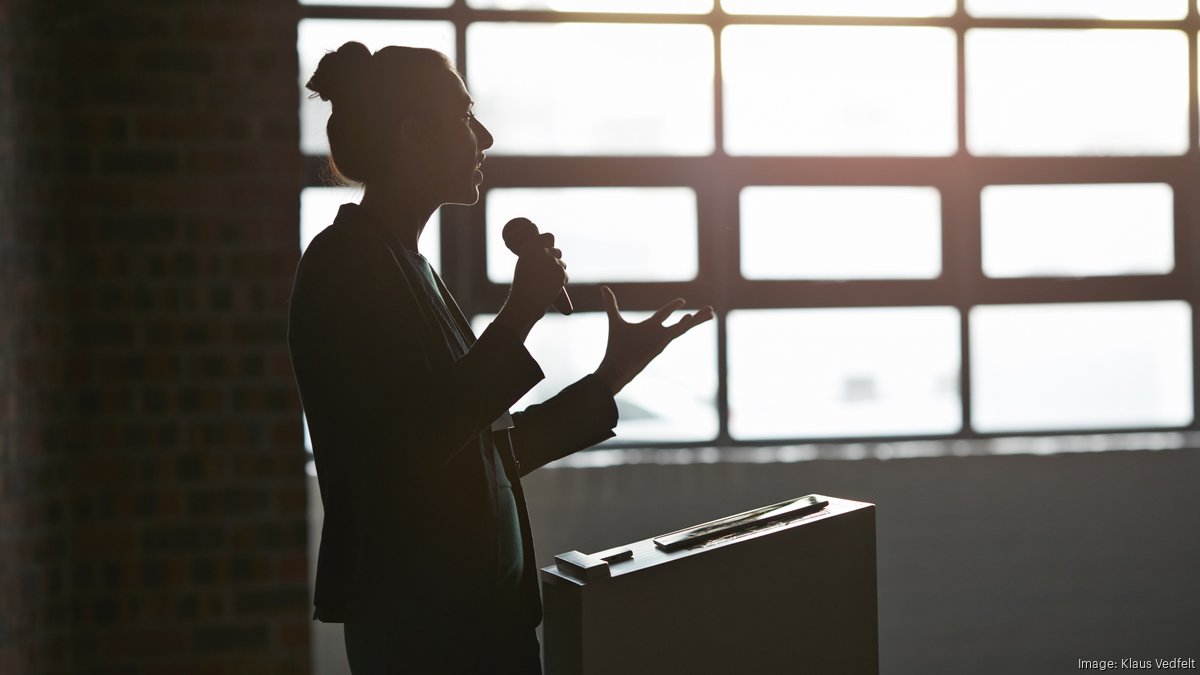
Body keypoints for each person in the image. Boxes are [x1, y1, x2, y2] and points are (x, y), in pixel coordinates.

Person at [288, 42, 714, 674]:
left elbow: (481, 452)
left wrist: (611, 376)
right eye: (464, 116)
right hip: (424, 632)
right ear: (415, 137)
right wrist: (518, 315)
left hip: (481, 625)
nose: (483, 137)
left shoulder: (411, 268)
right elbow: (408, 448)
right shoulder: (344, 265)